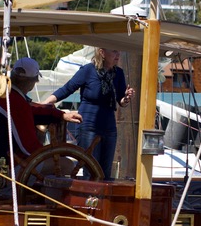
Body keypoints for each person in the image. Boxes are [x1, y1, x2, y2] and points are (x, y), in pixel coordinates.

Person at [43, 48, 135, 177]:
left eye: (118, 51)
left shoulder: (118, 73)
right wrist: (44, 104)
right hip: (88, 126)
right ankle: (90, 197)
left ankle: (101, 197)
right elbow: (67, 88)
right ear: (102, 53)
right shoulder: (88, 70)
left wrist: (126, 98)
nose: (118, 54)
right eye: (114, 51)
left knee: (105, 172)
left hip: (109, 127)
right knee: (90, 169)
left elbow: (121, 101)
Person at [0, 57, 81, 174]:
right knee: (67, 164)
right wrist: (51, 153)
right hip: (8, 167)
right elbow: (30, 148)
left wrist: (61, 115)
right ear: (32, 81)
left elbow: (34, 110)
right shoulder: (18, 104)